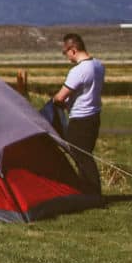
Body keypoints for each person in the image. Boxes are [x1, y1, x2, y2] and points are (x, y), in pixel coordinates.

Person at [52, 32, 105, 194]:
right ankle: (87, 191)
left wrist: (55, 101)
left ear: (73, 49)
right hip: (94, 117)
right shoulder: (98, 65)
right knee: (83, 155)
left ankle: (94, 192)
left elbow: (61, 97)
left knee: (82, 156)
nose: (66, 56)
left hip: (80, 119)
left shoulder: (78, 71)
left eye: (65, 52)